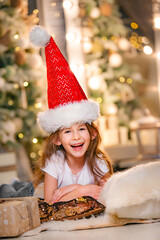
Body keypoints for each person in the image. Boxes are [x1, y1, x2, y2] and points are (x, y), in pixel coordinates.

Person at [30, 26, 113, 204]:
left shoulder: (98, 163)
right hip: (35, 191)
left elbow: (108, 196)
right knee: (19, 193)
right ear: (57, 139)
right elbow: (51, 201)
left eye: (81, 129)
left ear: (92, 133)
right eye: (67, 131)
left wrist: (79, 189)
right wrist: (87, 190)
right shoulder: (55, 162)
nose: (76, 137)